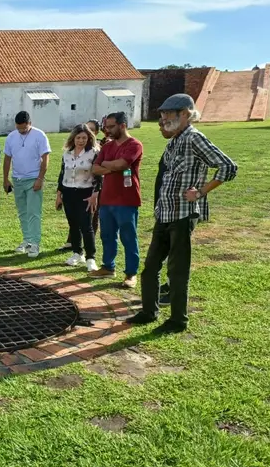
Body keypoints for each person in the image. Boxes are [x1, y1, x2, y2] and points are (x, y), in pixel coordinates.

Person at [129, 94, 238, 333]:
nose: (164, 118)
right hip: (164, 214)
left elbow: (228, 166)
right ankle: (149, 312)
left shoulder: (194, 138)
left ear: (186, 114)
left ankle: (178, 321)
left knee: (177, 271)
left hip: (182, 215)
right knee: (150, 268)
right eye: (162, 114)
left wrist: (201, 192)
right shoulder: (175, 141)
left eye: (169, 113)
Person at [88, 112, 143, 288]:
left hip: (127, 199)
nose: (108, 130)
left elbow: (122, 164)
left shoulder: (134, 145)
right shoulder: (107, 147)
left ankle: (131, 273)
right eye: (106, 127)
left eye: (111, 127)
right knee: (107, 235)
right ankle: (108, 267)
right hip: (107, 198)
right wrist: (112, 166)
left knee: (128, 237)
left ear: (123, 125)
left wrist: (107, 164)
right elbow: (95, 168)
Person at [3, 111, 51, 258]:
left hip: (33, 178)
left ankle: (35, 243)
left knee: (33, 212)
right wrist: (5, 179)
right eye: (19, 128)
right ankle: (27, 240)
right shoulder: (11, 137)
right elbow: (7, 158)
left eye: (24, 128)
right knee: (23, 212)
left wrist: (40, 179)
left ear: (30, 123)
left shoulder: (39, 135)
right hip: (17, 179)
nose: (21, 131)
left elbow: (45, 158)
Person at [55, 124, 101, 272]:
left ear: (89, 138)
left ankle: (90, 258)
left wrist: (95, 194)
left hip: (85, 192)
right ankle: (77, 252)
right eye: (78, 138)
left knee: (86, 225)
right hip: (68, 192)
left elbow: (99, 176)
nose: (81, 141)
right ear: (73, 138)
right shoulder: (67, 153)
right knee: (73, 224)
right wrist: (59, 195)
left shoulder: (94, 153)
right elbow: (62, 174)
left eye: (84, 138)